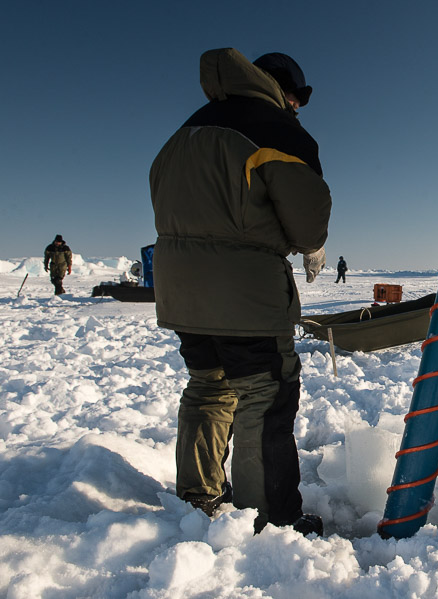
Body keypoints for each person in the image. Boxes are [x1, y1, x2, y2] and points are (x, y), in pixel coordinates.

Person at [149, 48, 332, 535]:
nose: (298, 108)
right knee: (264, 397)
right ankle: (269, 524)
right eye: (299, 98)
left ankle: (198, 497)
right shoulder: (276, 129)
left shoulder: (185, 131)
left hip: (179, 291)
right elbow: (308, 221)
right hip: (245, 295)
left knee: (208, 388)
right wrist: (310, 244)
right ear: (284, 90)